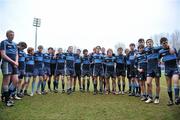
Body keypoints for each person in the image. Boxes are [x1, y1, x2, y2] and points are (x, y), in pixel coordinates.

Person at [159, 37, 180, 106]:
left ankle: (177, 98)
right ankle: (171, 100)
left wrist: (170, 47)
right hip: (167, 69)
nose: (165, 44)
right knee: (169, 86)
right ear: (161, 44)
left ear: (168, 42)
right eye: (163, 43)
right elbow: (158, 59)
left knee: (176, 80)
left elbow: (175, 55)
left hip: (174, 68)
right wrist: (161, 61)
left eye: (166, 42)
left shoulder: (173, 48)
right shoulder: (161, 51)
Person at [0, 30, 19, 106]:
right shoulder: (3, 42)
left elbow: (17, 54)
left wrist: (16, 62)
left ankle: (6, 95)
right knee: (6, 81)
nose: (12, 36)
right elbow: (3, 55)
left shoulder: (15, 44)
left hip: (14, 64)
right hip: (6, 63)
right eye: (11, 35)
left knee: (15, 81)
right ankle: (7, 100)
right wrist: (13, 62)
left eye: (13, 35)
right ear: (7, 35)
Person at [144, 39, 161, 104]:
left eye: (150, 42)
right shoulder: (145, 50)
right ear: (146, 44)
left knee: (157, 84)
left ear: (153, 43)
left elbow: (164, 46)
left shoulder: (157, 48)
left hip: (156, 68)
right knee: (148, 83)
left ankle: (157, 98)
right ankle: (150, 97)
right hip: (149, 68)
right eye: (148, 42)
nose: (149, 43)